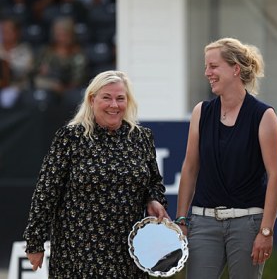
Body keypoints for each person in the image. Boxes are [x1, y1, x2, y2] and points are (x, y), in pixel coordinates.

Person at [23, 70, 169, 278]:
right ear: (92, 100)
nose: (114, 105)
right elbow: (46, 192)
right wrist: (35, 242)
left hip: (128, 251)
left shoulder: (141, 137)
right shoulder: (71, 137)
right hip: (78, 252)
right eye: (106, 98)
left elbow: (154, 181)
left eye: (120, 98)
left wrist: (154, 199)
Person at [175, 37, 277, 279]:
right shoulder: (201, 112)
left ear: (236, 69)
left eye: (213, 66)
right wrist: (181, 219)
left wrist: (266, 231)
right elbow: (190, 167)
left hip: (248, 224)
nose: (207, 73)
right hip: (203, 223)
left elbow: (276, 175)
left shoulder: (263, 115)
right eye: (206, 67)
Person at [33, 16, 88, 96]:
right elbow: (36, 71)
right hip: (48, 88)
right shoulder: (47, 51)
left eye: (64, 34)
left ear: (71, 35)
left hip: (70, 90)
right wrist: (42, 70)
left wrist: (64, 88)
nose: (61, 38)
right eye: (58, 34)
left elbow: (78, 79)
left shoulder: (78, 54)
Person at [0, 17, 34, 107]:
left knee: (6, 97)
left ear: (17, 32)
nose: (5, 34)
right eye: (4, 31)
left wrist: (6, 65)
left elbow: (26, 71)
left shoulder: (25, 49)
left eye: (9, 31)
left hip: (16, 86)